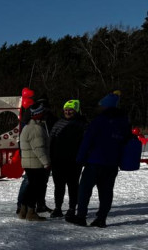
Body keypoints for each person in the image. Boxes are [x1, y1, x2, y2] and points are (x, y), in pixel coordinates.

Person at [70, 91, 135, 228]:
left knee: (84, 189)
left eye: (100, 105)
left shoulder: (99, 120)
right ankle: (101, 218)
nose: (98, 107)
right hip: (112, 163)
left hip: (94, 161)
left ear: (105, 106)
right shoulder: (123, 121)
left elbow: (87, 140)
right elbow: (127, 140)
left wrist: (80, 158)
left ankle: (81, 216)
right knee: (106, 192)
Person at [48, 100, 87, 220]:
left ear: (76, 111)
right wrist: (50, 157)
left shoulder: (82, 124)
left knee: (73, 186)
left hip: (74, 162)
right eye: (66, 110)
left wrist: (83, 158)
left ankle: (71, 208)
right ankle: (58, 208)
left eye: (71, 110)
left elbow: (86, 143)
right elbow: (51, 141)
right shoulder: (58, 123)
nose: (68, 112)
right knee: (58, 186)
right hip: (58, 161)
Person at [17, 103, 51, 222]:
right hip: (35, 164)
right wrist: (46, 162)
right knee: (35, 188)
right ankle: (31, 212)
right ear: (37, 115)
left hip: (28, 162)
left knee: (30, 187)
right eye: (42, 113)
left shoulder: (27, 127)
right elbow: (39, 148)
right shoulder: (36, 129)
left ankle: (23, 211)